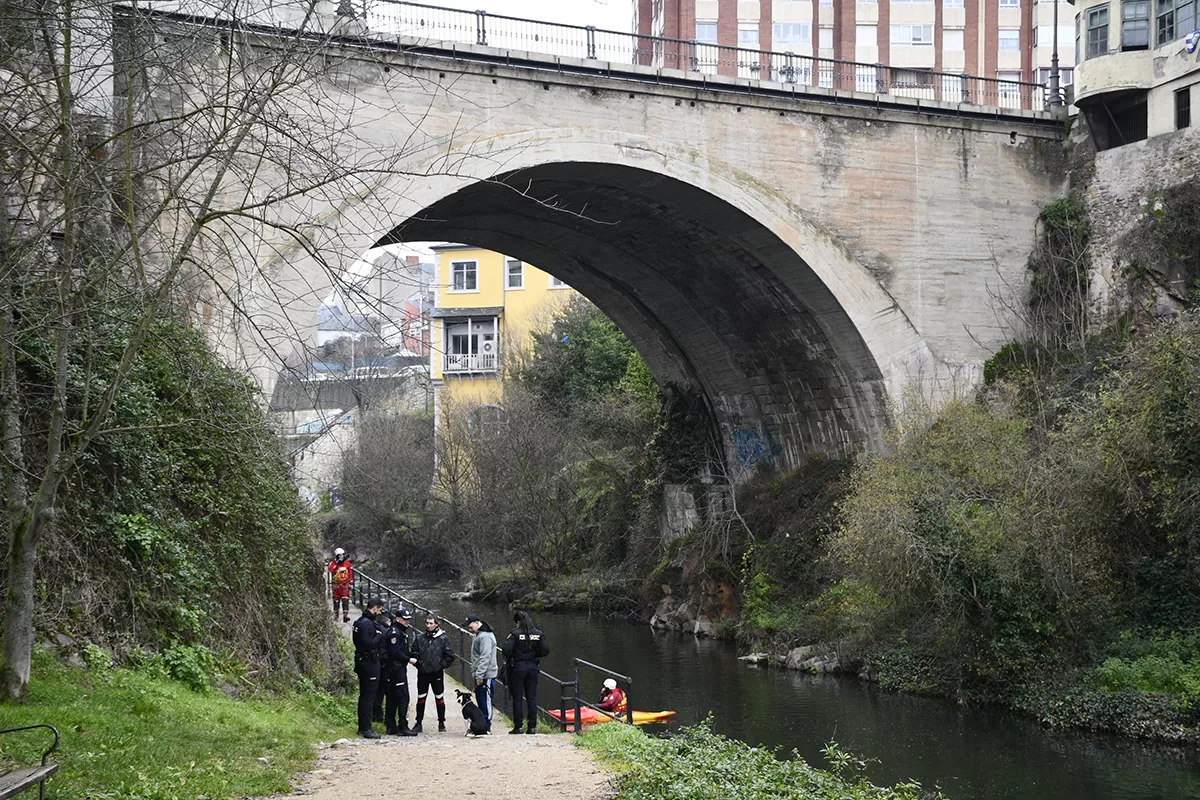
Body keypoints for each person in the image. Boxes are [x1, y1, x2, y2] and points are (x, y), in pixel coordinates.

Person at [502, 609, 548, 735]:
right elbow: (545, 651)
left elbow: (506, 649)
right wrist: (533, 654)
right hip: (532, 667)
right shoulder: (538, 633)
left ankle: (518, 726)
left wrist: (516, 656)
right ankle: (532, 727)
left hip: (518, 667)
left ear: (517, 622)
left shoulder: (515, 634)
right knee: (531, 698)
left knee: (517, 698)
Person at [411, 614, 455, 733]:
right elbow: (413, 653)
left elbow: (450, 656)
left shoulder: (443, 639)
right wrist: (418, 664)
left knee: (439, 698)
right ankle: (418, 722)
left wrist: (440, 666)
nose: (428, 626)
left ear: (437, 624)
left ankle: (441, 723)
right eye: (427, 623)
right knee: (421, 698)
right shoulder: (420, 638)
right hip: (423, 673)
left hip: (436, 673)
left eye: (431, 623)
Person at [351, 599, 385, 738]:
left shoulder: (359, 621)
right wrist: (379, 635)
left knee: (365, 695)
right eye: (380, 609)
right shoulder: (367, 624)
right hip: (369, 662)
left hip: (362, 661)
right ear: (375, 608)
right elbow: (368, 644)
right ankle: (366, 728)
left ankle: (363, 727)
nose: (381, 612)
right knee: (369, 696)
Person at [385, 607, 418, 736]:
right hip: (396, 668)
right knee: (403, 697)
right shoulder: (395, 632)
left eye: (408, 620)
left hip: (396, 667)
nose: (407, 622)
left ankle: (391, 725)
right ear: (398, 619)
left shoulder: (401, 632)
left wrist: (412, 654)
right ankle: (402, 726)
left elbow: (401, 650)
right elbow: (395, 652)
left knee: (393, 697)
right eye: (405, 619)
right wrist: (409, 659)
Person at [464, 614, 497, 732]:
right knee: (481, 700)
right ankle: (481, 725)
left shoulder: (485, 637)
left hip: (486, 675)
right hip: (481, 673)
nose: (469, 629)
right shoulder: (478, 634)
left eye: (470, 627)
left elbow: (485, 657)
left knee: (486, 701)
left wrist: (480, 675)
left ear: (477, 623)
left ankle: (487, 726)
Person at [372, 607, 392, 723]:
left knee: (376, 691)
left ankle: (376, 715)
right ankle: (385, 718)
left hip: (375, 662)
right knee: (387, 691)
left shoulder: (375, 627)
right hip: (385, 664)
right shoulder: (388, 632)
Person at [328, 548, 353, 623]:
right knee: (336, 601)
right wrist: (337, 564)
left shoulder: (347, 563)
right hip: (336, 585)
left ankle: (345, 616)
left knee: (345, 600)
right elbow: (331, 570)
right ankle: (336, 615)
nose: (341, 556)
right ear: (337, 556)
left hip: (345, 584)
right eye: (340, 555)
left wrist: (351, 582)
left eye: (342, 555)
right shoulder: (333, 563)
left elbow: (350, 573)